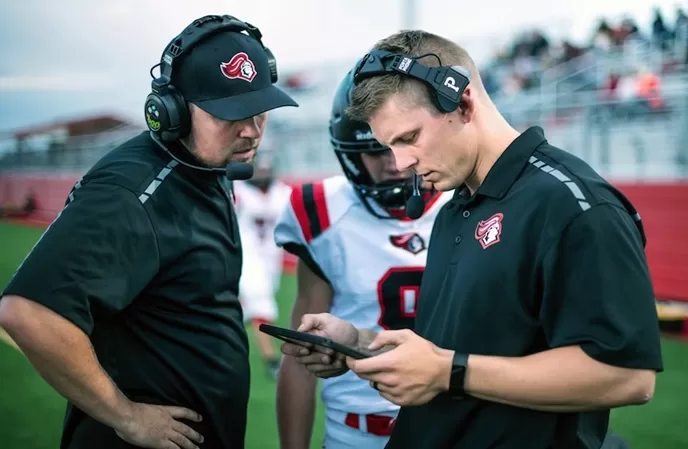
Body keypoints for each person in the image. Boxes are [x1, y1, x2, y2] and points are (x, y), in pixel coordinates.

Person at [282, 30, 663, 449]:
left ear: (463, 103)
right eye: (389, 146)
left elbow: (627, 376)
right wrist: (361, 343)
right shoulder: (457, 206)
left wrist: (448, 372)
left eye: (408, 138)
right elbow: (462, 346)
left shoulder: (573, 206)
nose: (401, 163)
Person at [0, 14, 297, 449]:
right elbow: (27, 313)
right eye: (230, 115)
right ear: (172, 111)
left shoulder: (205, 165)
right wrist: (127, 417)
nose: (251, 130)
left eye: (259, 111)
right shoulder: (132, 191)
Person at [274, 71, 452, 449]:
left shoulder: (469, 203)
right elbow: (302, 356)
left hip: (455, 427)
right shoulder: (320, 211)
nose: (395, 162)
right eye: (376, 149)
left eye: (403, 141)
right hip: (356, 433)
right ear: (349, 153)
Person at [234, 149, 291, 378]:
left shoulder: (282, 192)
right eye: (259, 168)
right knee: (262, 305)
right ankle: (272, 362)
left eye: (266, 169)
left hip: (271, 256)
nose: (262, 173)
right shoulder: (237, 191)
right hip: (247, 254)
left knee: (251, 309)